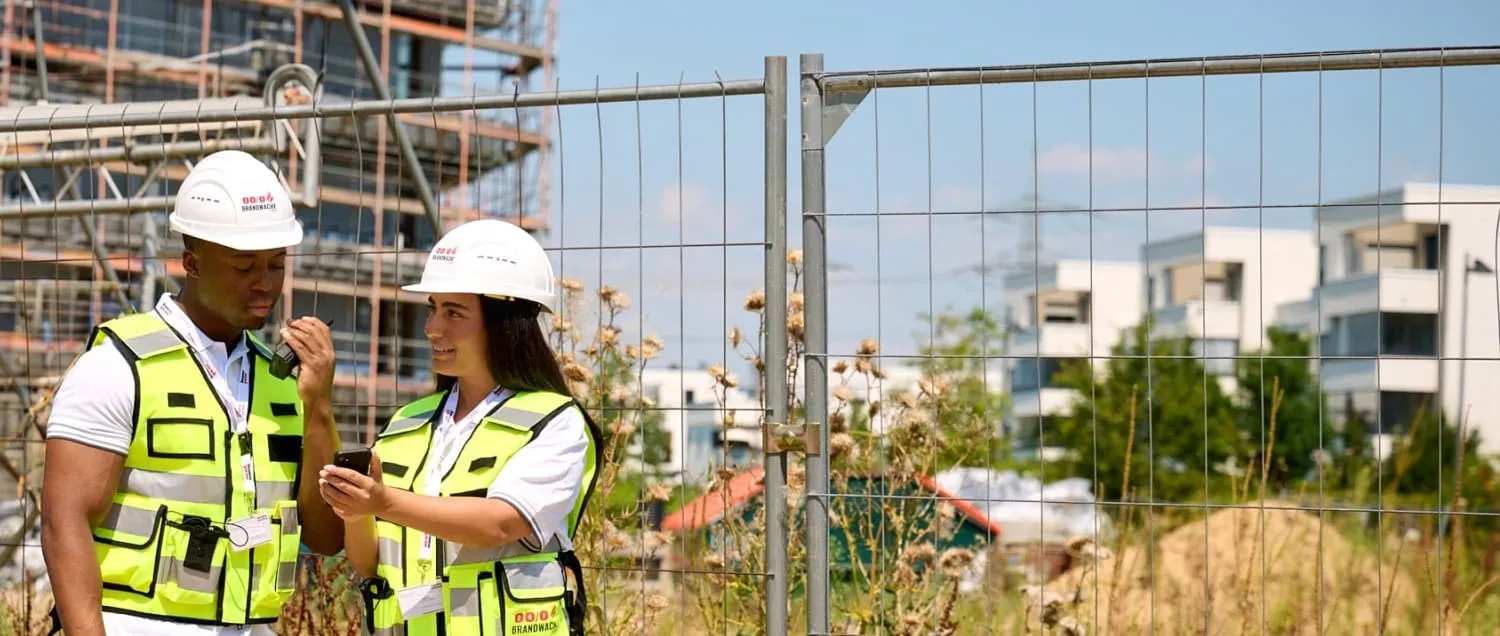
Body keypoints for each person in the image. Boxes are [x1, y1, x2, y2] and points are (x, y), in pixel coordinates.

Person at [40, 149, 346, 635]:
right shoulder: (118, 367)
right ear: (192, 262)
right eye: (244, 266)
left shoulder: (284, 383)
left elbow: (327, 538)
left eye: (275, 264)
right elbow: (63, 519)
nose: (264, 283)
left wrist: (319, 409)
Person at [317, 218, 603, 636]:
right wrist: (357, 511)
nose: (433, 327)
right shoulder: (407, 423)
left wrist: (381, 501)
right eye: (433, 308)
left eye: (454, 312)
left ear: (506, 322)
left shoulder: (554, 422)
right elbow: (369, 562)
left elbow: (501, 523)